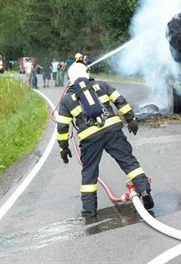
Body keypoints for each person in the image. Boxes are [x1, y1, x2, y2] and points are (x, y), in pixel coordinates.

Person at [56, 61, 153, 217]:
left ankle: (89, 210)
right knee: (128, 162)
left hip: (89, 138)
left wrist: (63, 148)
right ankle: (144, 190)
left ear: (71, 78)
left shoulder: (67, 99)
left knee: (89, 172)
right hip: (112, 130)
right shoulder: (101, 85)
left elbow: (62, 127)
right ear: (86, 73)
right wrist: (131, 119)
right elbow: (120, 100)